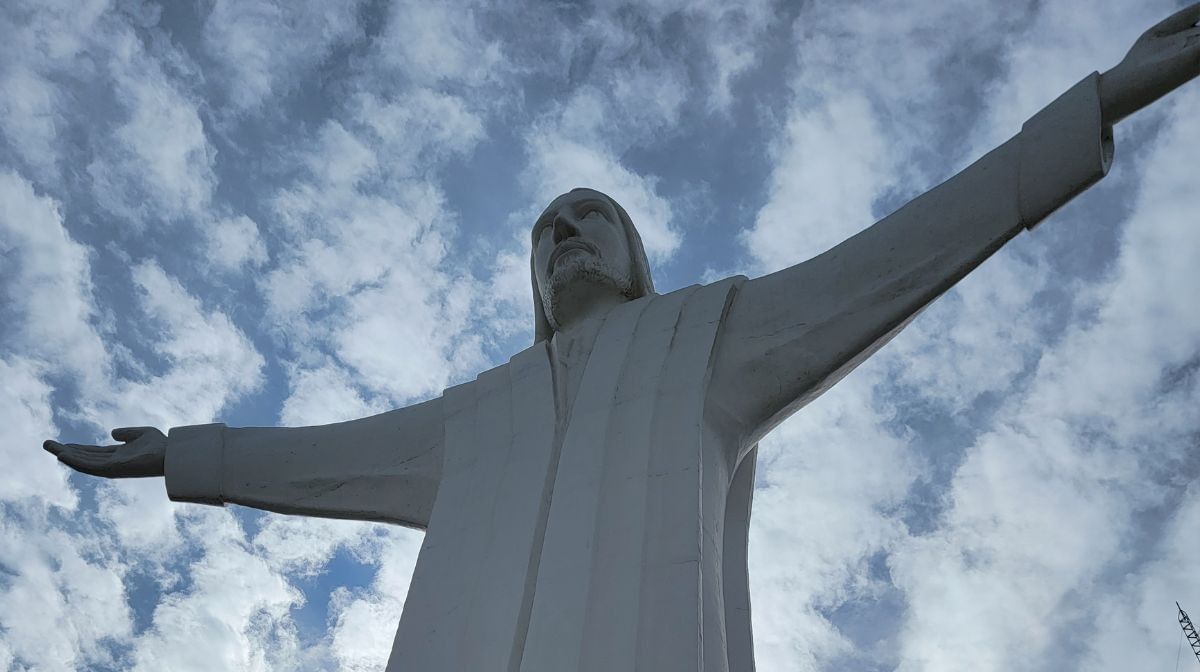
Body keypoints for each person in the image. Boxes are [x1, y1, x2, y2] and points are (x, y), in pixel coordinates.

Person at [44, 7, 1200, 670]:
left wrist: (1096, 102)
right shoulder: (477, 416)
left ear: (637, 250)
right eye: (547, 232)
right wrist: (177, 457)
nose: (565, 236)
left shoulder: (712, 335)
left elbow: (897, 254)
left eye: (590, 217)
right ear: (535, 280)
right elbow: (315, 455)